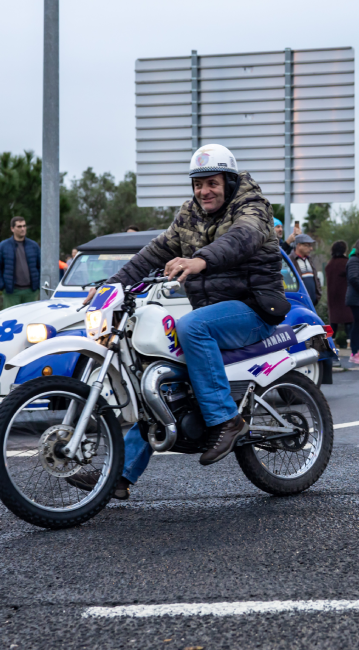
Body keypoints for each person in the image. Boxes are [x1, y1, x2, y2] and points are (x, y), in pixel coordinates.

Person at [72, 143, 289, 498]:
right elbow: (154, 252)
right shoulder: (189, 215)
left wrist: (200, 259)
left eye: (212, 183)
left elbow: (242, 237)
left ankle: (227, 421)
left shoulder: (252, 207)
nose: (204, 191)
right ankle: (120, 476)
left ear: (229, 182)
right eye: (198, 184)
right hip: (212, 311)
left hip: (253, 307)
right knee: (156, 373)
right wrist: (111, 287)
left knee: (192, 326)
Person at [0, 217, 41, 308]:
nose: (22, 229)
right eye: (19, 226)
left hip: (31, 291)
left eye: (24, 226)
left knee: (30, 319)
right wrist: (2, 285)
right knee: (12, 319)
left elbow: (40, 266)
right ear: (12, 229)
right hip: (12, 292)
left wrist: (37, 284)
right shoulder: (3, 246)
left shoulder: (33, 246)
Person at [324, 241, 353, 348]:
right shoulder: (346, 263)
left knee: (333, 322)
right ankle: (351, 342)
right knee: (349, 321)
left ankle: (330, 343)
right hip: (345, 296)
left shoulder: (329, 264)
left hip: (332, 297)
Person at [292, 233, 320, 304]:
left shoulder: (309, 260)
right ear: (298, 245)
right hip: (298, 303)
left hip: (312, 304)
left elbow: (316, 279)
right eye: (307, 245)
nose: (311, 248)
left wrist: (317, 297)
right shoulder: (290, 260)